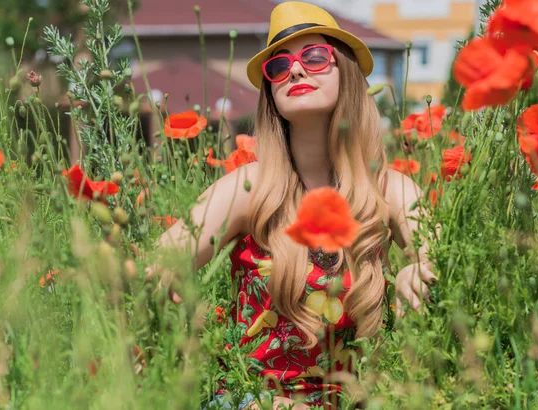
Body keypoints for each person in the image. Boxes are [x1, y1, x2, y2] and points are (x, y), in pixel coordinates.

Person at [150, 2, 438, 409]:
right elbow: (156, 264)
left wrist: (418, 268)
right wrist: (184, 317)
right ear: (270, 91)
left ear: (347, 73)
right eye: (279, 65)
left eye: (315, 57)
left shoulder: (390, 191)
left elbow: (440, 256)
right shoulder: (248, 189)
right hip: (252, 402)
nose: (297, 70)